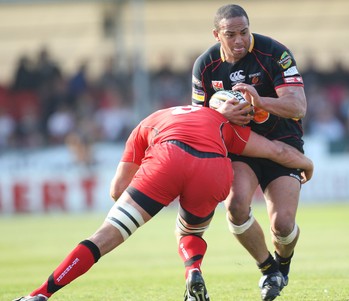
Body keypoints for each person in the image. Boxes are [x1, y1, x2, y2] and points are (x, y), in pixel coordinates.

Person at [13, 105, 313, 301]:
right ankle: (193, 272)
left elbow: (117, 189)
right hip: (212, 168)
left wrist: (148, 199)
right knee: (189, 233)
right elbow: (276, 151)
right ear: (225, 109)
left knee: (104, 236)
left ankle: (41, 294)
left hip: (166, 158)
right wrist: (306, 163)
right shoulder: (223, 125)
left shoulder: (150, 120)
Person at [192, 4, 307, 301]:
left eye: (244, 32)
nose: (240, 40)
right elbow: (198, 119)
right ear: (217, 34)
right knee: (235, 208)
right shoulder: (204, 66)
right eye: (230, 34)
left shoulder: (274, 53)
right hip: (241, 149)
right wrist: (221, 113)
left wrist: (259, 102)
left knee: (282, 225)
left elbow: (298, 106)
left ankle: (283, 265)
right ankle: (269, 269)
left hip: (282, 143)